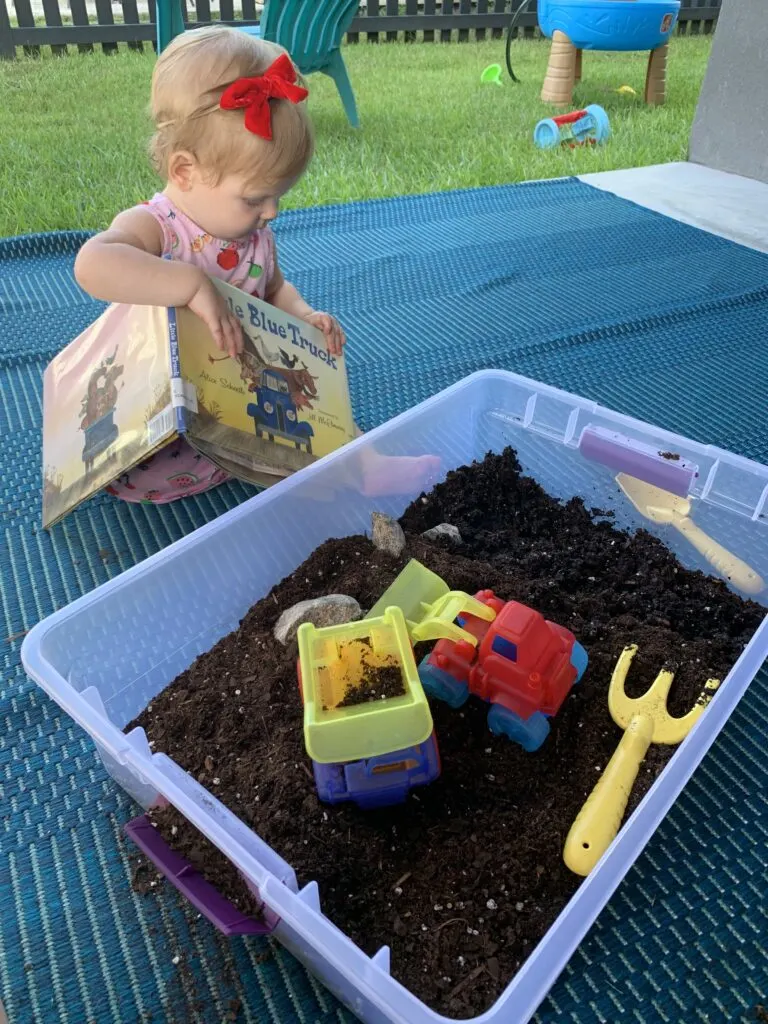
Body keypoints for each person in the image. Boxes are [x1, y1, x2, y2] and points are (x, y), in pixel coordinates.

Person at [75, 26, 438, 503]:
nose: (272, 213)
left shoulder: (254, 234)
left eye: (278, 196)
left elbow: (273, 290)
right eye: (255, 198)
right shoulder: (158, 225)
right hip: (163, 415)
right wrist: (189, 283)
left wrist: (304, 315)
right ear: (184, 172)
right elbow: (92, 264)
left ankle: (363, 469)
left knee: (321, 409)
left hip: (241, 389)